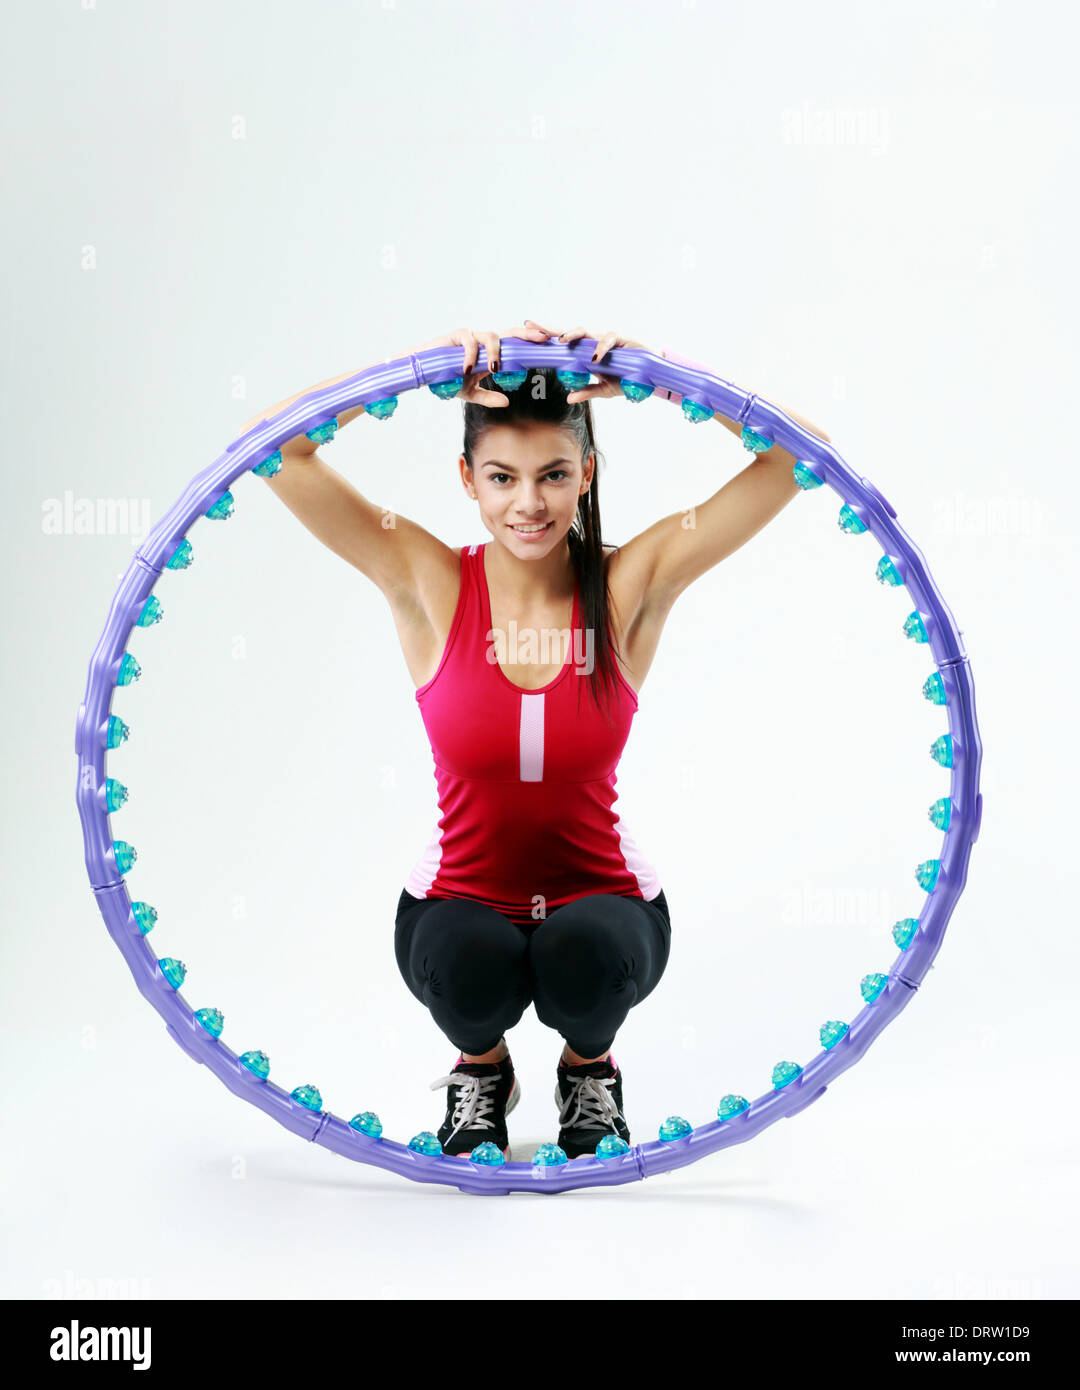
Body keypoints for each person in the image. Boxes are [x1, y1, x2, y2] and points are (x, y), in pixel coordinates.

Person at [238, 321, 831, 1162]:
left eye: (555, 475)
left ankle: (588, 1068)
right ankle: (482, 1068)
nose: (530, 504)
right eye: (503, 477)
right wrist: (422, 371)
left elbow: (798, 458)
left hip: (605, 900)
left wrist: (662, 379)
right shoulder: (427, 579)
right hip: (458, 900)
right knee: (469, 961)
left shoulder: (630, 585)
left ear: (587, 474)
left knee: (582, 954)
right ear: (468, 481)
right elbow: (279, 450)